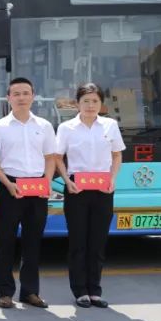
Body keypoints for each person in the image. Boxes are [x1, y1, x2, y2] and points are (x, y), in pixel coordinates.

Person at [54, 83, 124, 308]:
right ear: (77, 104)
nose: (90, 105)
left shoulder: (110, 125)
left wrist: (112, 179)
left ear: (101, 104)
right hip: (77, 188)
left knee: (98, 242)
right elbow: (57, 157)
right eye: (86, 101)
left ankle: (95, 290)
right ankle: (80, 291)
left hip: (103, 188)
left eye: (95, 101)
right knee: (78, 242)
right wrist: (67, 181)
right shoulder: (66, 128)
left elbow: (116, 155)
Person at [0, 77, 57, 309]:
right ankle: (4, 292)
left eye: (26, 93)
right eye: (16, 94)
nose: (21, 98)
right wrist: (7, 183)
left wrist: (47, 182)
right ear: (8, 98)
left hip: (37, 188)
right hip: (11, 186)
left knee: (33, 243)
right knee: (6, 242)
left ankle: (30, 292)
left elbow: (50, 157)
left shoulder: (44, 126)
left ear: (33, 97)